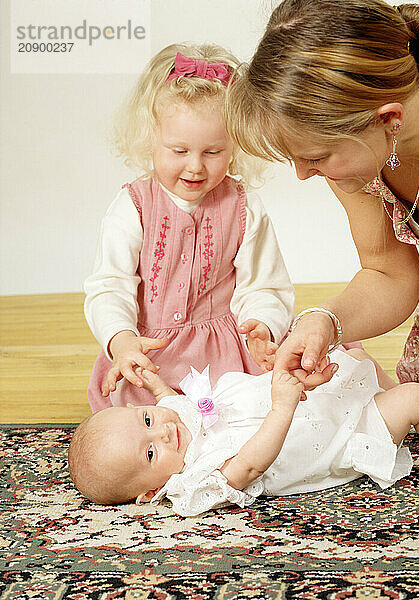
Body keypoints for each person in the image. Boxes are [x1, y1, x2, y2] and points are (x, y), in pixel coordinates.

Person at [225, 0, 419, 417]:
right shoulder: (366, 151)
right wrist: (324, 322)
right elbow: (389, 272)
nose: (302, 174)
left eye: (315, 156)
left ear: (388, 117)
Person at [84, 43, 294, 412]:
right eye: (179, 151)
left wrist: (263, 327)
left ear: (235, 146)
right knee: (141, 428)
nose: (195, 167)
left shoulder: (244, 207)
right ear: (151, 140)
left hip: (227, 358)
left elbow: (264, 284)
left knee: (252, 414)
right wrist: (121, 341)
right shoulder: (132, 207)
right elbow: (110, 286)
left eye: (212, 152)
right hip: (150, 357)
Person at [68, 347, 419, 517]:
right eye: (149, 455)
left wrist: (155, 383)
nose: (161, 433)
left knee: (356, 356)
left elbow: (168, 403)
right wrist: (284, 405)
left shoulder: (172, 421)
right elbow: (251, 464)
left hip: (317, 402)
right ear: (148, 493)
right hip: (332, 438)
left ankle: (398, 399)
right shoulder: (195, 482)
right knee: (415, 399)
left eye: (145, 419)